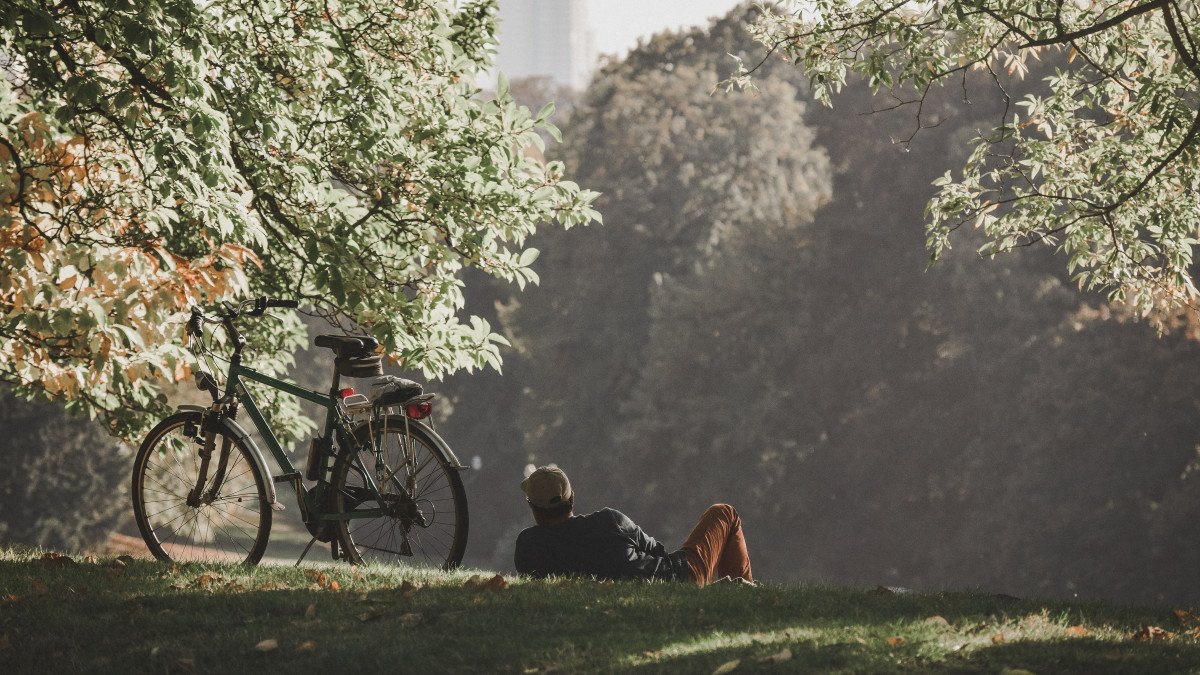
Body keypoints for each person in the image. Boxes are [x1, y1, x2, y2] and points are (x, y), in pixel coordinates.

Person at [513, 466, 754, 586]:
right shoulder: (610, 520)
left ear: (532, 507)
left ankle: (738, 590)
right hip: (677, 577)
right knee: (724, 513)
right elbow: (658, 552)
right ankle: (746, 592)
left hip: (659, 585)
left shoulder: (527, 545)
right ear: (572, 498)